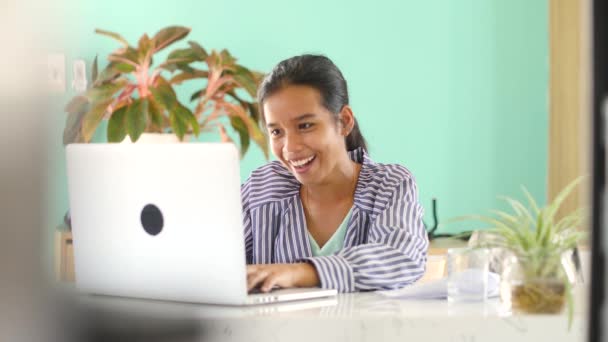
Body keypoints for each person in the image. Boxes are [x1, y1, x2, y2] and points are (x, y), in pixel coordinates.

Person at [242, 54, 428, 293]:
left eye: (305, 126)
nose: (290, 148)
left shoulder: (389, 185)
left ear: (344, 121)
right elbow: (215, 261)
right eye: (276, 132)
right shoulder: (260, 189)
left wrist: (299, 272)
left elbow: (403, 258)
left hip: (365, 331)